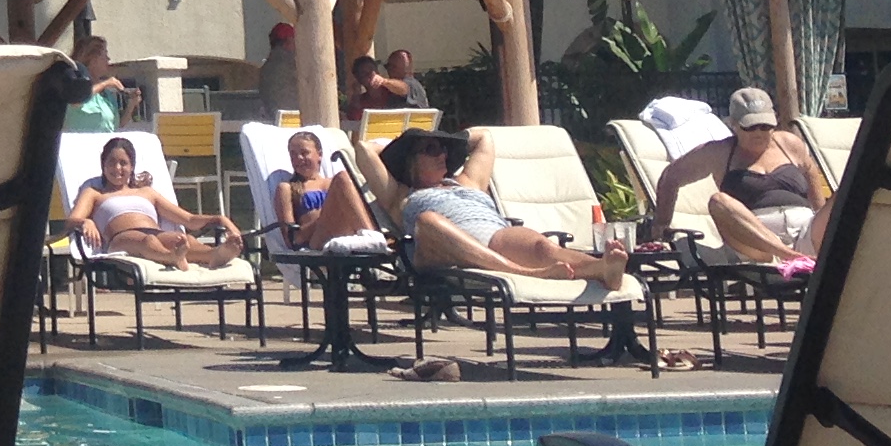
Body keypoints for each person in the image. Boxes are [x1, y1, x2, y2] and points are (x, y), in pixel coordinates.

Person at [348, 123, 628, 289]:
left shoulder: (467, 181)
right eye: (431, 149)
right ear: (411, 160)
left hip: (494, 238)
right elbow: (363, 149)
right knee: (428, 220)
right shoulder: (401, 195)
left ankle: (602, 269)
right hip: (437, 249)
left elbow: (484, 137)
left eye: (445, 148)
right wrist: (400, 145)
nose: (443, 154)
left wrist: (452, 140)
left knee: (544, 248)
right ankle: (526, 274)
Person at [644, 86, 831, 263]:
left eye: (765, 126)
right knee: (719, 201)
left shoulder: (789, 143)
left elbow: (811, 172)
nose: (758, 132)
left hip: (806, 232)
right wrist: (661, 224)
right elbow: (670, 177)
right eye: (750, 127)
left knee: (842, 194)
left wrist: (822, 219)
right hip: (756, 244)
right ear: (733, 124)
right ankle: (790, 256)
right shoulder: (718, 152)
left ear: (775, 120)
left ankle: (802, 256)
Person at [70, 136, 245, 270]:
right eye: (111, 162)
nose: (117, 168)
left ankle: (215, 254)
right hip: (120, 239)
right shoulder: (94, 193)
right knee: (148, 241)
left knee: (186, 239)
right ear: (103, 164)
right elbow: (71, 221)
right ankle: (172, 257)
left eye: (123, 163)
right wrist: (86, 221)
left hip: (155, 233)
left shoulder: (147, 192)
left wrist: (221, 219)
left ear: (132, 167)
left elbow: (189, 220)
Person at [265, 127, 386, 255]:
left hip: (347, 234)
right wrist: (324, 216)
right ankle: (373, 237)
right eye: (293, 154)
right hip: (316, 243)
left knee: (346, 179)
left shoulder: (336, 184)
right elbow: (292, 240)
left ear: (320, 154)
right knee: (342, 178)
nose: (298, 158)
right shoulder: (287, 188)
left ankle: (372, 236)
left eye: (304, 153)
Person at [63, 35, 141, 131]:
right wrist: (105, 84)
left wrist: (131, 105)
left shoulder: (106, 94)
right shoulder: (74, 86)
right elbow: (76, 101)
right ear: (92, 59)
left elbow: (115, 125)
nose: (108, 59)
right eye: (105, 54)